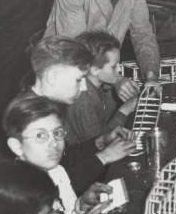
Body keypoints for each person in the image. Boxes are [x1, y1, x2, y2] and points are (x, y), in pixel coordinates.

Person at [19, 36, 136, 194]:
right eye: (78, 80)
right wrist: (104, 157)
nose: (82, 88)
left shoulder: (48, 105)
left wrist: (100, 142)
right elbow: (45, 189)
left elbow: (64, 157)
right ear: (52, 77)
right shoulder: (31, 118)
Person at [64, 31, 138, 145]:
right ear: (95, 70)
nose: (119, 70)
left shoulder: (98, 84)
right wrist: (124, 110)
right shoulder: (82, 100)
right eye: (114, 67)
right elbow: (98, 143)